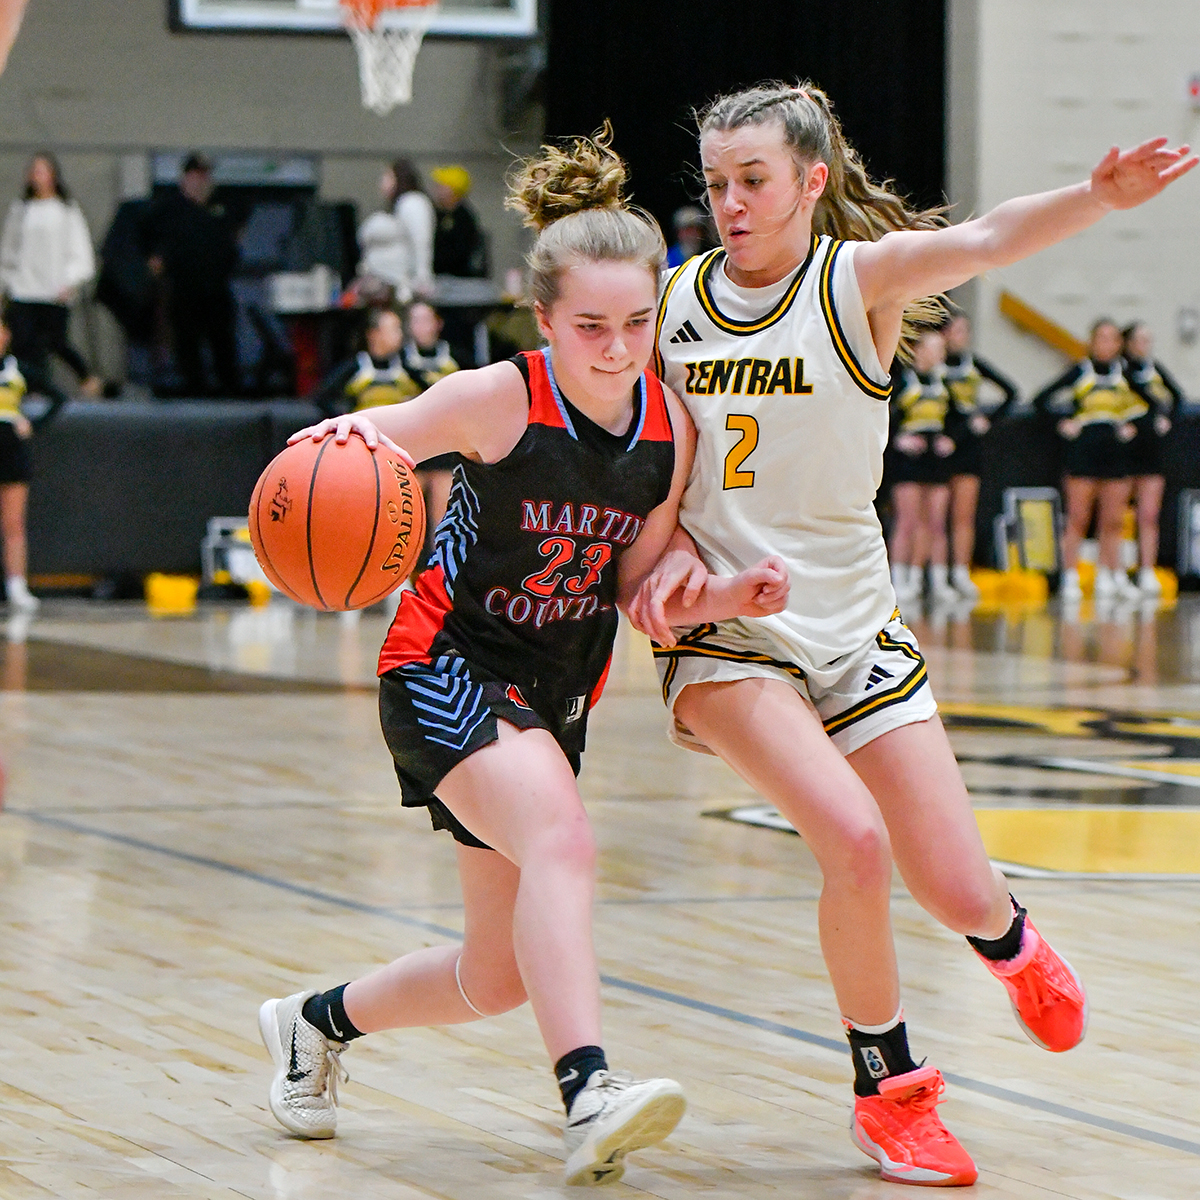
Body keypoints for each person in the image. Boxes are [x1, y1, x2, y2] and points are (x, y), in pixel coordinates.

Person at [635, 79, 1193, 1186]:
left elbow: (985, 238)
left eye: (754, 180)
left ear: (811, 181)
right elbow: (640, 450)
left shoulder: (857, 280)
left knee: (956, 885)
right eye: (717, 182)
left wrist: (1096, 196)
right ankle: (891, 1097)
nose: (731, 203)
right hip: (727, 629)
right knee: (852, 841)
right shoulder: (674, 300)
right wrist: (658, 562)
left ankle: (1009, 939)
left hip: (853, 620)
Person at [258, 127, 788, 1187]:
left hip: (553, 690)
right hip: (444, 663)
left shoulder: (670, 432)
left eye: (637, 323)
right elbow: (363, 437)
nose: (617, 347)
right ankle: (587, 1093)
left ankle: (313, 1024)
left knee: (496, 974)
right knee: (564, 841)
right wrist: (331, 462)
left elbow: (636, 591)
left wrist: (725, 595)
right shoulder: (500, 398)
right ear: (544, 319)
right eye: (590, 326)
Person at [1032, 320, 1140, 602]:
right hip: (1083, 454)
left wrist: (1135, 426)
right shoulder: (1081, 371)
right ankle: (1070, 576)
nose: (1107, 344)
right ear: (1092, 341)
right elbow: (1041, 400)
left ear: (1119, 344)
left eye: (1112, 338)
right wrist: (1063, 423)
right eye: (1101, 338)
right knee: (1078, 518)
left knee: (1113, 520)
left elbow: (1155, 403)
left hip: (1115, 454)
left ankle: (1108, 574)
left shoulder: (1126, 373)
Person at [0, 154, 102, 397]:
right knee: (24, 343)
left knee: (55, 342)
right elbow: (9, 251)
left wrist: (71, 280)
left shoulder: (66, 210)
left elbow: (80, 252)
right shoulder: (21, 210)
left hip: (54, 290)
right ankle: (29, 391)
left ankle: (86, 377)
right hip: (23, 288)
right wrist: (6, 282)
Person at [143, 153, 240, 397]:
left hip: (216, 288)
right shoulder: (170, 210)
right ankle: (195, 388)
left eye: (204, 177)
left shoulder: (219, 208)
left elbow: (231, 243)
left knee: (222, 341)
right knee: (187, 343)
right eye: (196, 176)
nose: (200, 182)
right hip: (184, 289)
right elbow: (150, 238)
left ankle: (229, 389)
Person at [942, 312, 1018, 598]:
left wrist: (988, 419)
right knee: (935, 516)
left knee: (963, 514)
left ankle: (960, 571)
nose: (958, 337)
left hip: (968, 446)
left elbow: (1011, 392)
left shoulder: (973, 365)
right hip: (939, 442)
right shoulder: (931, 365)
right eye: (953, 330)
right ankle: (933, 574)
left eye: (964, 331)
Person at [0, 313, 67, 613]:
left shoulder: (18, 370)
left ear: (7, 335)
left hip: (11, 451)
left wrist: (33, 425)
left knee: (13, 523)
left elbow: (58, 397)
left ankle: (16, 586)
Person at [887, 328, 959, 605]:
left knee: (936, 523)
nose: (941, 354)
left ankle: (928, 579)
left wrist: (950, 438)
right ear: (919, 350)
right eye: (935, 348)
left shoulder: (943, 384)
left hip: (936, 459)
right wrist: (898, 439)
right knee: (907, 521)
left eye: (942, 349)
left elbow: (960, 419)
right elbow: (883, 416)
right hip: (909, 461)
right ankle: (898, 579)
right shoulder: (903, 381)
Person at [1122, 321, 1184, 596]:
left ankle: (1146, 569)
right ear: (1128, 343)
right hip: (1124, 451)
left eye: (1149, 340)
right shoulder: (1119, 372)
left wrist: (1166, 419)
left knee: (1148, 515)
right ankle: (1117, 571)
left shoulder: (1154, 368)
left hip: (1151, 451)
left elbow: (1177, 397)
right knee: (1117, 516)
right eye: (1141, 340)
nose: (1145, 346)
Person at [356, 158, 436, 304]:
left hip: (399, 287)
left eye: (387, 176)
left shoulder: (413, 202)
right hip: (378, 284)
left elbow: (421, 241)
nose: (382, 182)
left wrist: (422, 279)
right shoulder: (394, 208)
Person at [430, 165, 488, 278]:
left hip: (457, 279)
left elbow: (461, 253)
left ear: (454, 190)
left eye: (441, 186)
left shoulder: (464, 218)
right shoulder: (439, 213)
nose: (437, 190)